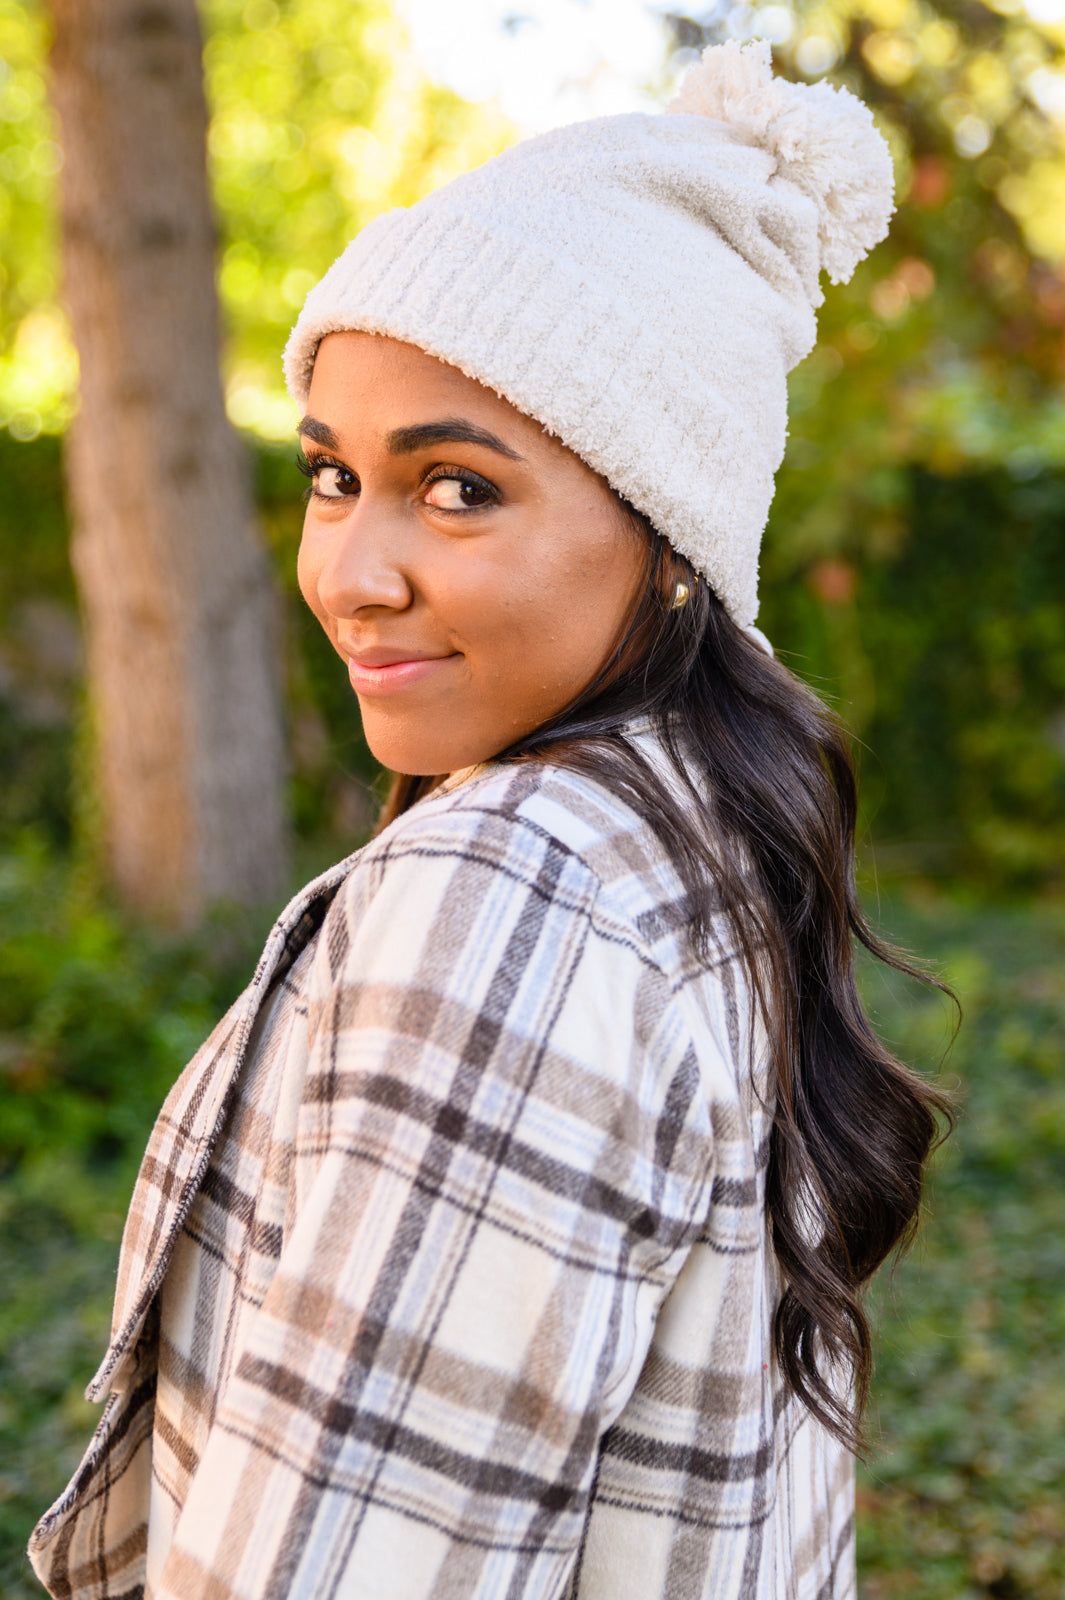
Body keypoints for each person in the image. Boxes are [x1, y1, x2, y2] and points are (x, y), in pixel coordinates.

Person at [30, 39, 950, 1600]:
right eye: (333, 476)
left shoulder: (513, 894)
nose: (351, 572)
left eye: (459, 488)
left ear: (669, 540)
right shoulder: (691, 829)